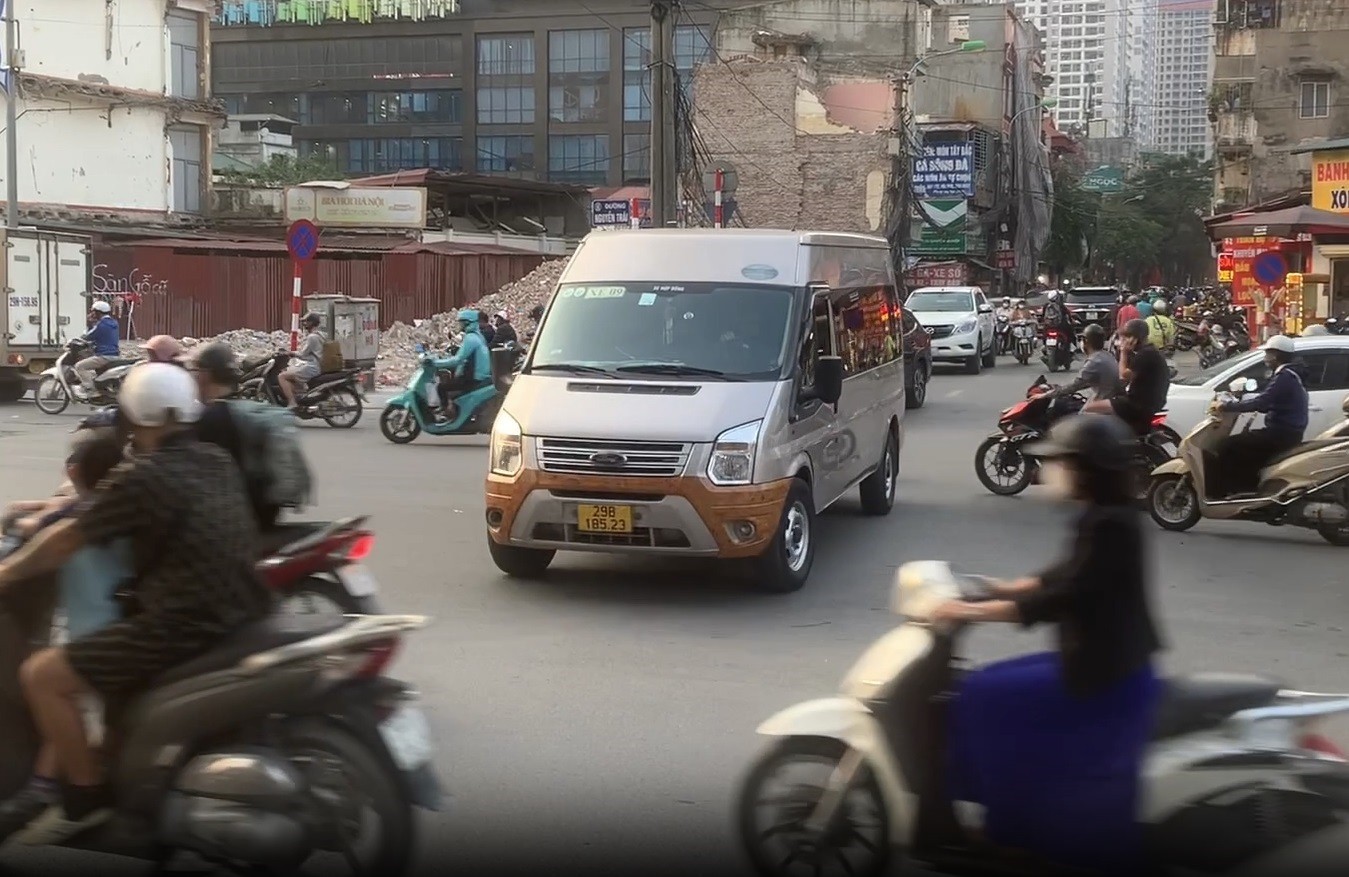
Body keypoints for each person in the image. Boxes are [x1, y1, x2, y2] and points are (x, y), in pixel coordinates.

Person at [0, 364, 272, 844]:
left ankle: (84, 795)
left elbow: (68, 539)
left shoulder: (144, 475)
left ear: (132, 414)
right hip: (242, 609)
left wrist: (8, 572)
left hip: (181, 622)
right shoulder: (215, 458)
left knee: (41, 675)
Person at [935, 414, 1164, 876]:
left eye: (1062, 463)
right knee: (984, 686)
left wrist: (971, 612)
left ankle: (1012, 833)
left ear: (1087, 469)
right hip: (1099, 663)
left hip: (1105, 678)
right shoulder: (1104, 517)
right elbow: (1059, 575)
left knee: (983, 696)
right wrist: (998, 586)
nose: (1050, 472)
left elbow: (1060, 597)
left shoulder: (1111, 526)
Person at [0, 432, 131, 843]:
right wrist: (32, 508)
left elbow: (43, 530)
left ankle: (46, 789)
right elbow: (59, 507)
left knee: (50, 687)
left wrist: (24, 523)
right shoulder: (121, 507)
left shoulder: (76, 521)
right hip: (129, 625)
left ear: (74, 471)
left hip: (96, 637)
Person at [189, 342, 283, 531]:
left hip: (225, 526)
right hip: (262, 516)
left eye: (195, 371)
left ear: (204, 375)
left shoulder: (208, 419)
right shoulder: (246, 411)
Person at [1212, 335, 1308, 497]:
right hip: (1286, 432)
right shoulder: (1290, 375)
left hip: (1280, 433)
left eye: (1267, 354)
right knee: (1244, 444)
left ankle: (1238, 490)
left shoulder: (1284, 377)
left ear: (1275, 355)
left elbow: (1262, 402)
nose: (1265, 358)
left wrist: (1226, 406)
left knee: (1229, 446)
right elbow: (1271, 401)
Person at [1084, 319, 1167, 437]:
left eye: (1125, 338)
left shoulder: (1145, 354)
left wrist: (1123, 352)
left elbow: (1123, 376)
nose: (1122, 342)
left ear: (1134, 338)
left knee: (1089, 408)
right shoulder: (1151, 352)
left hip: (1137, 404)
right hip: (1150, 402)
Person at [432, 309, 493, 421]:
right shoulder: (477, 336)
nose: (459, 325)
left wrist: (436, 363)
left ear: (468, 323)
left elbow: (458, 360)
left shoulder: (471, 338)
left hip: (473, 377)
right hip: (480, 375)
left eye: (461, 322)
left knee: (441, 387)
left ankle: (446, 411)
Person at [1048, 324, 1118, 417]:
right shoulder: (1107, 355)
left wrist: (1046, 395)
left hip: (1101, 406)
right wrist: (1057, 388)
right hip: (1108, 401)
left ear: (1086, 341)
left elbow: (1075, 386)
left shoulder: (1095, 361)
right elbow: (1086, 381)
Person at [72, 301, 121, 401]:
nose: (92, 314)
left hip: (104, 356)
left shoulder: (100, 325)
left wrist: (89, 323)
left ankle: (91, 390)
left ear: (98, 312)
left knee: (80, 366)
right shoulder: (114, 323)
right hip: (115, 355)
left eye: (93, 312)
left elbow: (87, 336)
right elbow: (103, 337)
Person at [278, 312, 324, 411]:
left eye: (306, 322)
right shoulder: (320, 334)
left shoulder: (312, 337)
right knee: (291, 372)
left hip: (313, 367)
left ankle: (292, 402)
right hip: (316, 365)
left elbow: (303, 354)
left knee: (282, 376)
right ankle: (300, 397)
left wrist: (291, 353)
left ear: (312, 323)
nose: (304, 324)